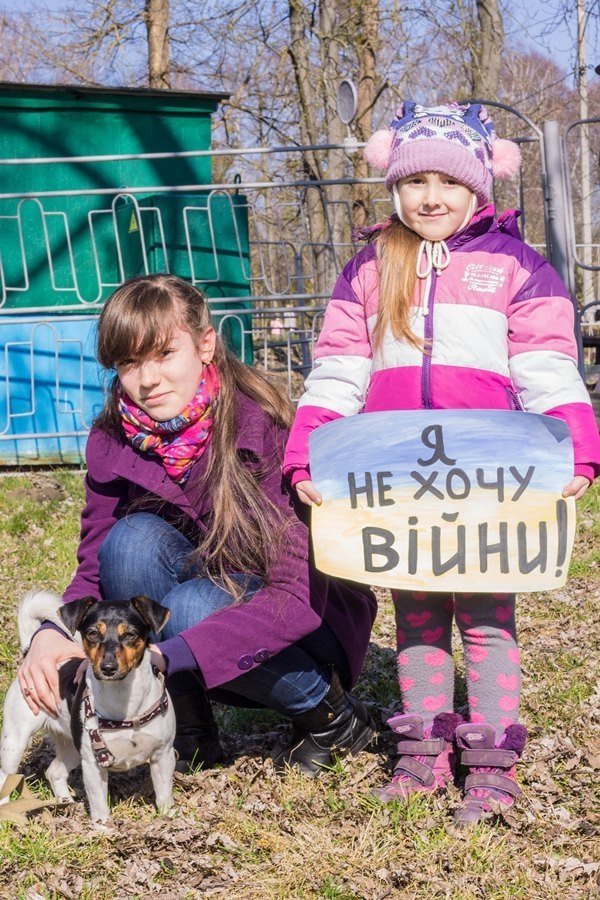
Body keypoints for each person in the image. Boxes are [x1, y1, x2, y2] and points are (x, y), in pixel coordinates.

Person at [283, 101, 600, 824]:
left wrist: (575, 445)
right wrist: (312, 453)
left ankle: (491, 762)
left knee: (488, 619)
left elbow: (548, 369)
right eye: (415, 180)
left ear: (479, 187)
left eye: (448, 182)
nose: (431, 196)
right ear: (392, 187)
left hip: (491, 484)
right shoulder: (369, 270)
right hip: (400, 485)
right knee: (418, 617)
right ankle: (423, 750)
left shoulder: (519, 269)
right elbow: (337, 372)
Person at [18, 274, 377, 776]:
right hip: (202, 608)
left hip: (310, 629)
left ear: (205, 345)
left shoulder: (264, 429)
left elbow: (295, 599)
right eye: (129, 363)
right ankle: (186, 727)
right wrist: (51, 633)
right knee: (129, 545)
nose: (147, 380)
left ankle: (332, 717)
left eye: (165, 354)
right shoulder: (112, 439)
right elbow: (95, 567)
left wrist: (164, 657)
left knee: (186, 609)